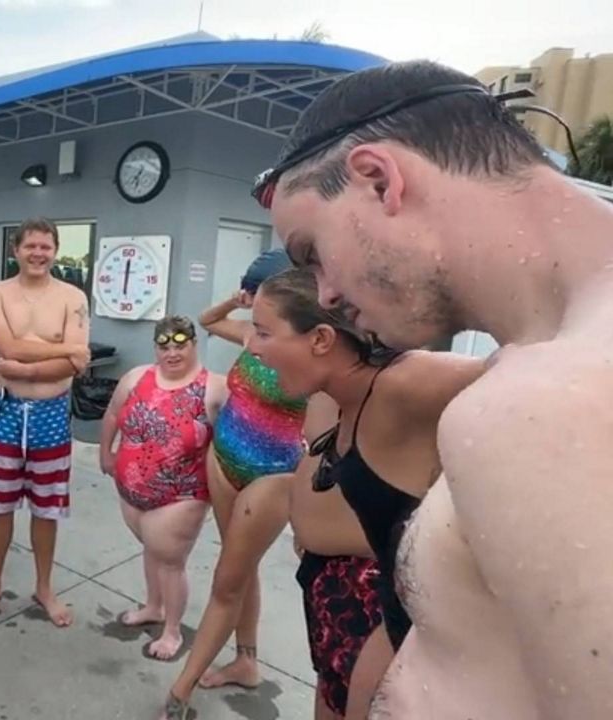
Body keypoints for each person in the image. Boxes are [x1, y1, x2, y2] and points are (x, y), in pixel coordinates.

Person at [257, 59, 613, 719]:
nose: (326, 293)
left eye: (311, 252)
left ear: (376, 178)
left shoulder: (549, 401)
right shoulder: (542, 365)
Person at [243, 268, 479, 719]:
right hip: (345, 612)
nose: (251, 346)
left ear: (320, 339)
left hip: (399, 634)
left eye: (262, 332)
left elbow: (543, 375)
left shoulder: (403, 381)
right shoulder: (339, 391)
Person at [182, 249, 319, 690]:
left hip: (270, 479)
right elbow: (205, 320)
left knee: (233, 571)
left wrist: (308, 514)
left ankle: (208, 674)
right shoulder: (251, 336)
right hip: (223, 461)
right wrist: (235, 302)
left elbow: (323, 439)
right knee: (241, 566)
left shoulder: (309, 357)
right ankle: (246, 660)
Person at [0, 217, 90, 628]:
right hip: (5, 411)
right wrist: (62, 350)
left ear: (55, 250)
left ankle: (44, 585)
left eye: (46, 246)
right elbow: (4, 346)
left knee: (47, 507)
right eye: (30, 246)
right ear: (15, 250)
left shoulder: (73, 297)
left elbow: (78, 360)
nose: (38, 253)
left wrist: (28, 368)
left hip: (52, 415)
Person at [98, 316, 226, 660]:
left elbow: (235, 443)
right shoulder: (136, 377)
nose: (171, 353)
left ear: (194, 344)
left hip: (181, 495)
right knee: (152, 550)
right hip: (131, 488)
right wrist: (106, 452)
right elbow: (112, 413)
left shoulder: (214, 388)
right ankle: (153, 607)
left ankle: (172, 631)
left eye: (180, 345)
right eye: (164, 346)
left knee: (170, 561)